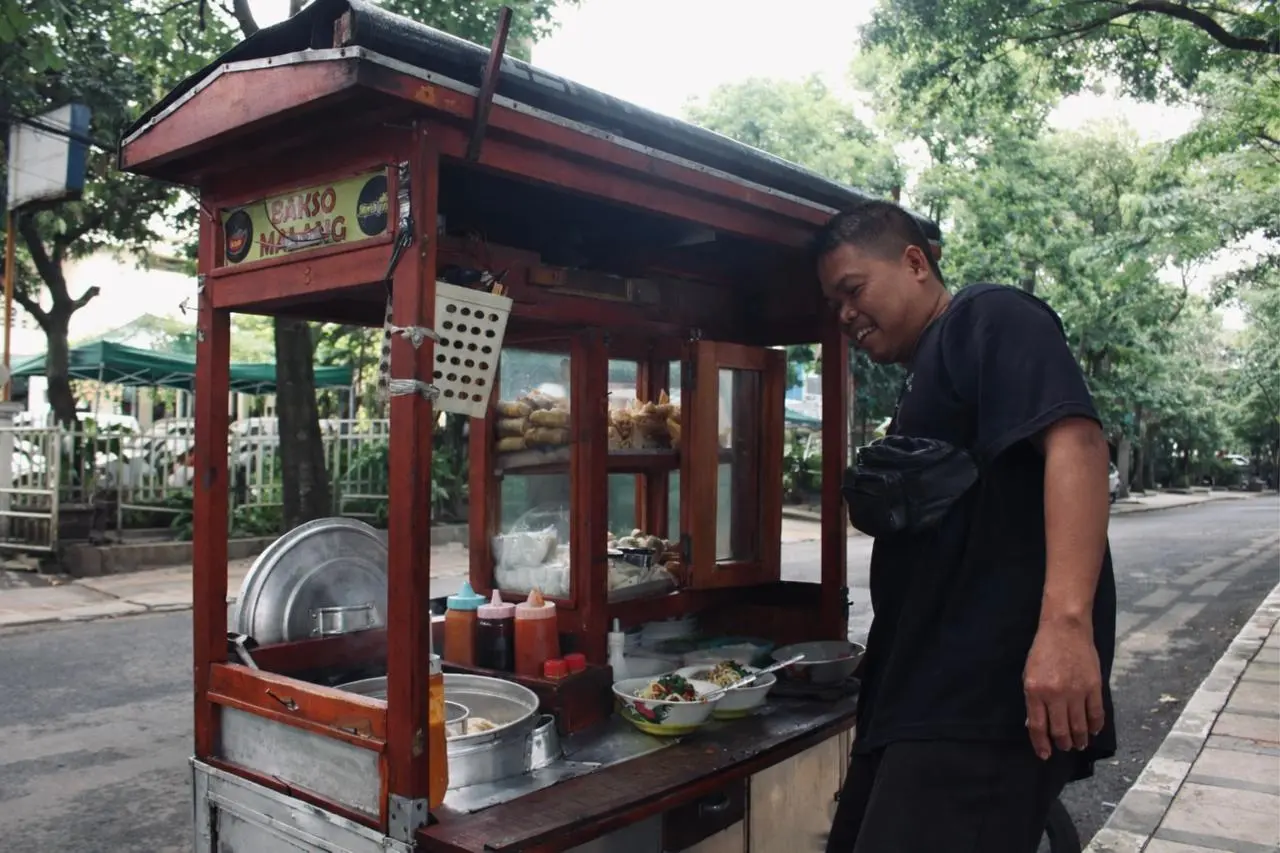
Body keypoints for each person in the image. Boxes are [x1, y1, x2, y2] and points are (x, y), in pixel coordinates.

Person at [816, 201, 1117, 853]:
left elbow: (1078, 443)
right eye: (834, 303)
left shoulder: (988, 316)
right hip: (913, 697)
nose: (844, 315)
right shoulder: (924, 374)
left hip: (979, 698)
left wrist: (1067, 628)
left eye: (853, 290)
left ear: (914, 263)